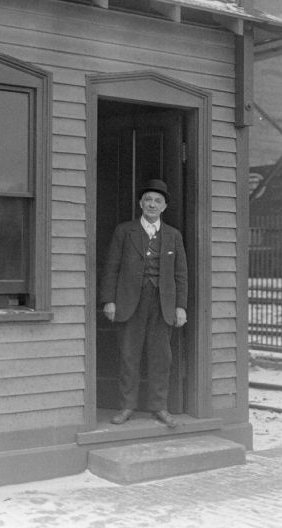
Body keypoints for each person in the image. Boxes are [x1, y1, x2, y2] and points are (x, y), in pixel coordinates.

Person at [100, 179, 188, 428]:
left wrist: (180, 306)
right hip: (130, 302)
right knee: (129, 355)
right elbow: (111, 267)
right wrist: (109, 300)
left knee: (162, 357)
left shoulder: (173, 236)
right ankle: (127, 406)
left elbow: (181, 274)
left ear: (164, 206)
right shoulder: (124, 231)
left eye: (157, 201)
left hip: (162, 305)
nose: (152, 204)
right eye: (148, 199)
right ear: (140, 203)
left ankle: (159, 407)